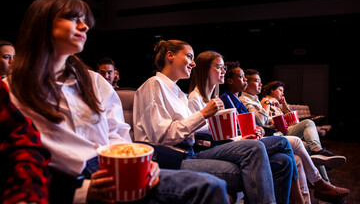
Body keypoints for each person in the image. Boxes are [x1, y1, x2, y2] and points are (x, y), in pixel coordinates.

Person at [5, 0, 230, 204]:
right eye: (74, 18)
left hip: (111, 166)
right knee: (210, 184)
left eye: (85, 21)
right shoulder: (11, 89)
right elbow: (20, 160)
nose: (84, 26)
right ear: (41, 25)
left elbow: (116, 133)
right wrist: (80, 190)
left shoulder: (93, 81)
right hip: (68, 178)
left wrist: (135, 164)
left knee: (213, 184)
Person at [133, 40, 298, 204]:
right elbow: (161, 138)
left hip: (190, 153)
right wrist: (203, 114)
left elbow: (198, 130)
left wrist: (238, 136)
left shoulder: (179, 93)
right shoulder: (154, 85)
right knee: (259, 149)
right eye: (189, 57)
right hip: (172, 159)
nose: (193, 63)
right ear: (170, 56)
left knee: (281, 161)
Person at [220, 61, 350, 202]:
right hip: (264, 138)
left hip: (272, 133)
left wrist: (281, 106)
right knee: (305, 135)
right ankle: (322, 184)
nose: (258, 83)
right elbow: (258, 122)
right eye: (244, 78)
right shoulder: (241, 99)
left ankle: (315, 192)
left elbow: (270, 121)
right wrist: (267, 108)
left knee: (300, 156)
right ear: (230, 81)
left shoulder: (246, 100)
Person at [187, 51, 303, 203]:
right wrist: (240, 139)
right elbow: (202, 137)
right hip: (209, 150)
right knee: (283, 143)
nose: (223, 71)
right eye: (219, 67)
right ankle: (303, 197)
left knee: (283, 161)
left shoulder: (215, 98)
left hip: (226, 144)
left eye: (223, 67)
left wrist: (245, 135)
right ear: (204, 70)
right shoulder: (195, 99)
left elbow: (230, 131)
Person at [0, 78, 51, 204]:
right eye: (7, 56)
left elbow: (22, 140)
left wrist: (27, 194)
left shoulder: (93, 80)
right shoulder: (15, 85)